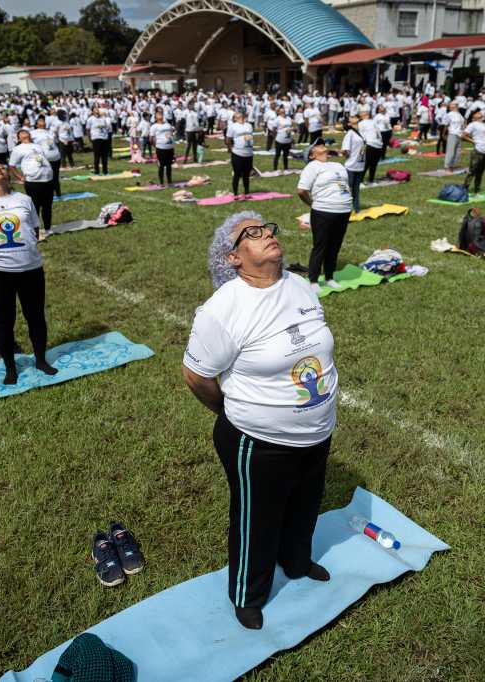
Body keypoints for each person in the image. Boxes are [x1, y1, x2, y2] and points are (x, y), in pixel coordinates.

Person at [182, 211, 337, 631]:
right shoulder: (223, 309)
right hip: (258, 440)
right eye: (251, 233)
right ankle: (248, 595)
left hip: (317, 431)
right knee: (257, 520)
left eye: (269, 227)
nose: (267, 233)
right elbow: (196, 376)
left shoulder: (301, 285)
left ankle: (298, 562)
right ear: (232, 258)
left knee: (305, 504)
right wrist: (231, 412)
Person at [0, 161, 56, 386]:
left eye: (1, 167)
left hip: (31, 269)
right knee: (4, 321)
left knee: (35, 316)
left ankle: (41, 360)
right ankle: (10, 368)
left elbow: (34, 231)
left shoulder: (24, 200)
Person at [297, 143, 353, 291]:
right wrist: (312, 204)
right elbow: (301, 191)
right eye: (317, 145)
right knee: (320, 246)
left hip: (344, 210)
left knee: (335, 246)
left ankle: (329, 277)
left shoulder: (337, 165)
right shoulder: (312, 166)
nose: (321, 146)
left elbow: (346, 185)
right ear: (311, 155)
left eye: (322, 144)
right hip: (323, 211)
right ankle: (314, 280)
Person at [9, 129, 55, 238]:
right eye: (22, 133)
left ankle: (48, 228)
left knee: (47, 206)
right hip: (33, 181)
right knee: (35, 206)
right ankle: (35, 231)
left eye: (27, 132)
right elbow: (12, 165)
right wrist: (20, 177)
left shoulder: (38, 146)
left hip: (48, 178)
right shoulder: (17, 149)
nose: (25, 134)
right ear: (19, 138)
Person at [462, 109, 485, 196]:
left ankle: (477, 191)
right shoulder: (473, 124)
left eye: (480, 113)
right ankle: (464, 190)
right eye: (477, 113)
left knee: (480, 173)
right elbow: (463, 136)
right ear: (474, 117)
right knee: (472, 171)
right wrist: (474, 142)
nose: (479, 113)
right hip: (478, 151)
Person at [31, 116, 62, 198]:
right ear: (37, 124)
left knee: (55, 176)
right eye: (40, 121)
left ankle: (58, 194)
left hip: (55, 157)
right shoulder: (33, 133)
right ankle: (46, 195)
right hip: (44, 158)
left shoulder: (50, 132)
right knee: (45, 177)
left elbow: (55, 143)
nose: (42, 122)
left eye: (43, 120)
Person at [225, 110, 254, 197]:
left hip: (248, 153)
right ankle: (235, 193)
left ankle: (247, 192)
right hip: (237, 153)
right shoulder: (232, 126)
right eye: (237, 116)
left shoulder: (249, 125)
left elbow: (251, 136)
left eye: (241, 116)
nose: (240, 117)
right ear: (234, 118)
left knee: (246, 174)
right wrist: (230, 148)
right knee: (237, 174)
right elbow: (228, 139)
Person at [341, 115, 366, 212]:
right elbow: (344, 150)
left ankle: (357, 209)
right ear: (349, 123)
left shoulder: (360, 132)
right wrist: (350, 157)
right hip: (351, 166)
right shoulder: (350, 134)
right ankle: (343, 209)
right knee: (347, 190)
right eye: (351, 117)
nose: (354, 117)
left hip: (360, 165)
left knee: (356, 189)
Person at [150, 109, 176, 186]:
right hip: (161, 148)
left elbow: (171, 133)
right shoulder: (154, 126)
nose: (160, 114)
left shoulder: (167, 124)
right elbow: (151, 139)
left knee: (169, 165)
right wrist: (156, 146)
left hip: (170, 147)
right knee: (161, 166)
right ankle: (161, 182)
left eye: (161, 113)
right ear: (155, 117)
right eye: (158, 114)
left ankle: (169, 181)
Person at [357, 107, 382, 183]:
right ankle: (362, 181)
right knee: (367, 164)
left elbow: (378, 133)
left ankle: (369, 180)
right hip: (372, 144)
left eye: (363, 112)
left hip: (375, 144)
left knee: (371, 164)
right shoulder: (361, 123)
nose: (362, 113)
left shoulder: (372, 122)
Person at [86, 106, 110, 175]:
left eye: (97, 109)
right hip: (96, 138)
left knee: (104, 156)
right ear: (92, 111)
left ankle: (105, 171)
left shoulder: (103, 118)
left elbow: (107, 127)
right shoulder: (90, 119)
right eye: (95, 109)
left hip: (104, 138)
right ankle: (96, 171)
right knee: (97, 156)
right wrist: (89, 138)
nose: (97, 110)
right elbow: (87, 129)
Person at [443, 102, 464, 172]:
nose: (451, 107)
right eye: (451, 105)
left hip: (460, 135)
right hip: (452, 134)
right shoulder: (449, 114)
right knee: (450, 151)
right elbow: (446, 125)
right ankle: (447, 166)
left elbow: (462, 125)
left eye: (454, 105)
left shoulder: (460, 115)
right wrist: (443, 134)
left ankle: (452, 165)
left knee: (457, 152)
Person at [271, 106, 293, 171]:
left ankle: (286, 168)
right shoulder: (277, 119)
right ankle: (275, 169)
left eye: (284, 112)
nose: (283, 113)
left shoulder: (288, 118)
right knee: (277, 155)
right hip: (280, 140)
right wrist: (275, 137)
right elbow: (274, 130)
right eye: (281, 112)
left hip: (288, 140)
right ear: (279, 112)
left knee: (285, 155)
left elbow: (290, 127)